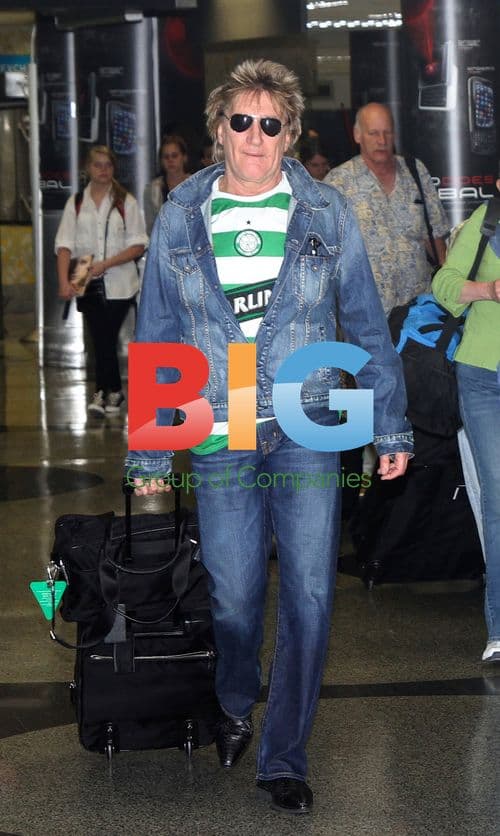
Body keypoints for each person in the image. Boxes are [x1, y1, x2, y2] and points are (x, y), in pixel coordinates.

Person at [125, 59, 412, 814]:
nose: (256, 135)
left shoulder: (325, 211)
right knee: (235, 594)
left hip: (309, 417)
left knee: (313, 594)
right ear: (219, 131)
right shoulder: (181, 215)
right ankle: (231, 697)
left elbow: (364, 321)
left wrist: (390, 422)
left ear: (289, 135)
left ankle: (284, 754)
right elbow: (157, 334)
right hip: (221, 423)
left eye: (271, 123)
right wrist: (152, 449)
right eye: (241, 121)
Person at [432, 180, 500, 663]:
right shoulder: (486, 222)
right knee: (498, 498)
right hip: (483, 379)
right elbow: (444, 285)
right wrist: (490, 289)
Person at [324, 102, 449, 315]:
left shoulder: (415, 172)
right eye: (373, 133)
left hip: (419, 312)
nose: (381, 141)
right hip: (364, 316)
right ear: (357, 135)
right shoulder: (337, 183)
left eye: (387, 133)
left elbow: (435, 238)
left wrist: (450, 285)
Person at [56, 145, 147, 416]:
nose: (103, 170)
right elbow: (64, 245)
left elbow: (138, 245)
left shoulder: (125, 202)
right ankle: (111, 393)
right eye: (98, 165)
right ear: (88, 168)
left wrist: (106, 264)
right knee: (99, 337)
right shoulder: (76, 204)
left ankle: (106, 391)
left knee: (105, 336)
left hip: (122, 284)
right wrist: (64, 281)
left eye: (108, 165)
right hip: (88, 284)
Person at [143, 134, 190, 234]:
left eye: (174, 156)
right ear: (161, 161)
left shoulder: (198, 185)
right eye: (166, 157)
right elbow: (151, 229)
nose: (170, 160)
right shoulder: (152, 190)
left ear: (184, 158)